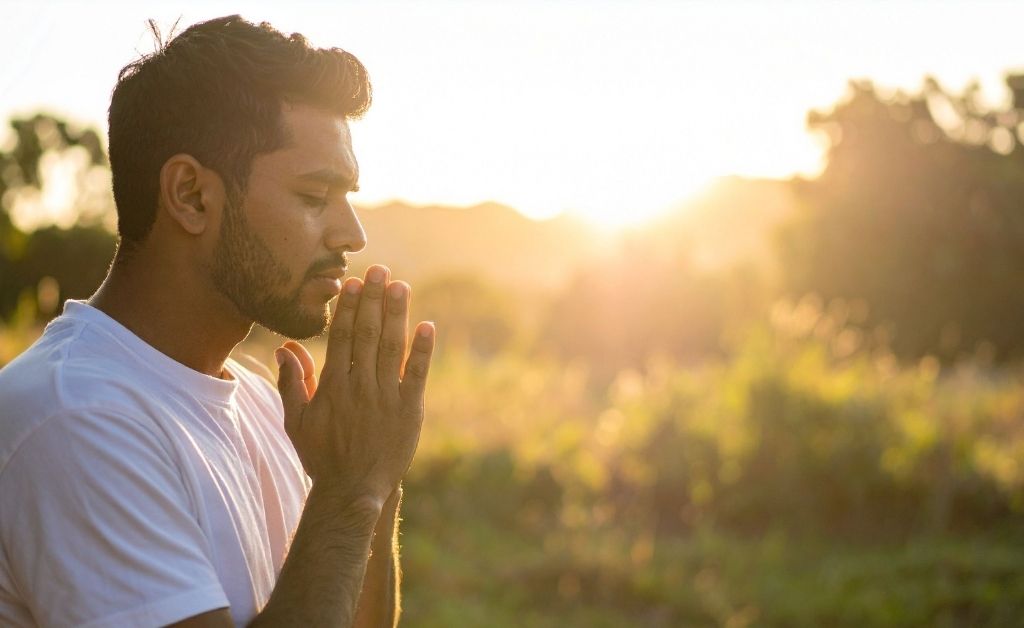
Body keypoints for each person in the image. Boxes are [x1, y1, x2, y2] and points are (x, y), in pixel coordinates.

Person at [0, 14, 434, 627]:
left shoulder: (260, 402)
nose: (352, 234)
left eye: (348, 198)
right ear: (191, 195)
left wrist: (372, 477)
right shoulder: (75, 417)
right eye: (315, 197)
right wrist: (349, 491)